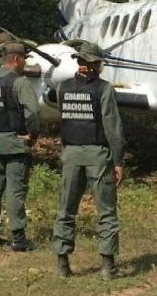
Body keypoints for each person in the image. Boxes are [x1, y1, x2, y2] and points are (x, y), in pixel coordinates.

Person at [52, 41, 125, 279]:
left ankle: (62, 264)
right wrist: (118, 161)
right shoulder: (104, 89)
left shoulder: (63, 88)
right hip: (97, 154)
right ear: (94, 63)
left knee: (66, 209)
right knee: (106, 211)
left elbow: (66, 118)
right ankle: (107, 267)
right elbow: (112, 128)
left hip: (71, 153)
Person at [0, 42, 41, 251]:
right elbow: (32, 112)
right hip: (15, 143)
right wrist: (32, 135)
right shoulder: (19, 83)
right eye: (24, 59)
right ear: (16, 59)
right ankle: (18, 238)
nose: (25, 63)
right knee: (15, 189)